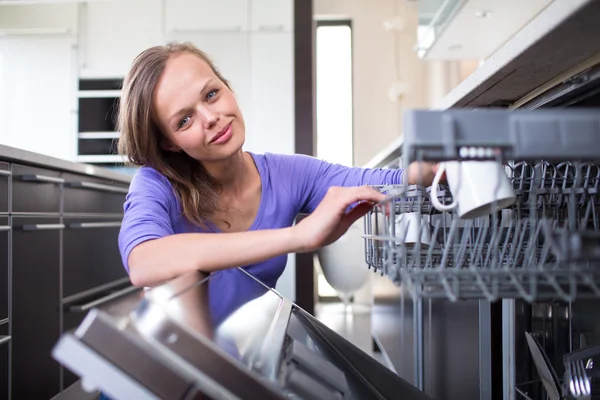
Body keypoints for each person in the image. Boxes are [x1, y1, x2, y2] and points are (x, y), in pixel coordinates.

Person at [116, 41, 438, 291]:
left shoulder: (288, 175)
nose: (210, 118)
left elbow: (372, 181)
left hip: (241, 354)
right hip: (174, 363)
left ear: (228, 88)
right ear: (169, 143)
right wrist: (298, 236)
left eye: (212, 94)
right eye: (185, 120)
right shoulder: (156, 183)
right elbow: (143, 262)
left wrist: (427, 172)